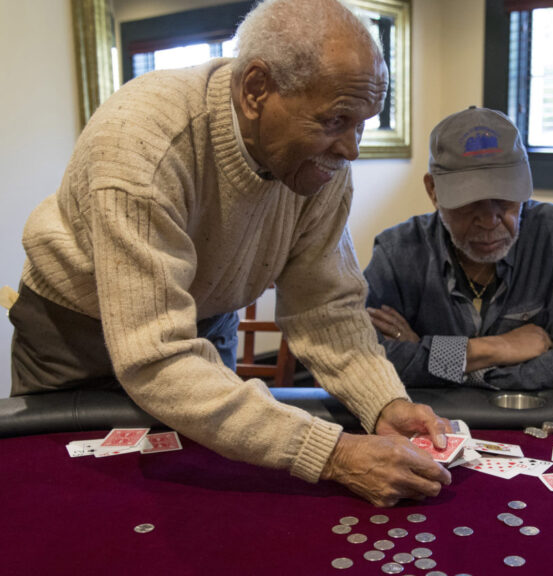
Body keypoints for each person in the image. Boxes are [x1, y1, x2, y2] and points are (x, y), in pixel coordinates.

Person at [9, 0, 451, 507]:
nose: (351, 149)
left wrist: (383, 401)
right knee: (67, 503)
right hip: (73, 333)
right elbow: (156, 360)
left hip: (204, 319)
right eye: (336, 121)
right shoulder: (140, 143)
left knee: (197, 497)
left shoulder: (321, 165)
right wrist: (333, 454)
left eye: (363, 123)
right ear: (256, 90)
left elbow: (324, 308)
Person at [363, 106, 553, 389]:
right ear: (433, 191)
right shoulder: (398, 251)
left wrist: (445, 364)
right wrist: (492, 349)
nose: (490, 220)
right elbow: (365, 362)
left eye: (505, 198)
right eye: (470, 202)